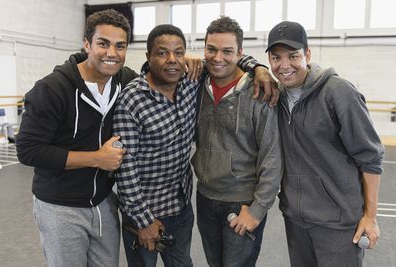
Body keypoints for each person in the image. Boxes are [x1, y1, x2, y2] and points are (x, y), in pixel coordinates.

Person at [113, 24, 275, 267]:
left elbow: (225, 58)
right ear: (148, 57)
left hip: (181, 207)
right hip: (144, 212)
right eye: (162, 53)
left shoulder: (189, 81)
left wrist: (259, 67)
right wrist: (143, 220)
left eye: (179, 53)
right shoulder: (132, 99)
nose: (172, 60)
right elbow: (125, 168)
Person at [16, 9, 135, 267]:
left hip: (103, 203)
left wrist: (191, 63)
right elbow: (28, 151)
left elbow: (156, 76)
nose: (112, 53)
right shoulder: (52, 89)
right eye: (103, 43)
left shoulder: (125, 81)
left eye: (120, 46)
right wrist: (97, 159)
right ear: (86, 44)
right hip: (59, 205)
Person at [265, 21, 384, 267]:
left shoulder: (338, 92)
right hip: (296, 220)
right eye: (276, 58)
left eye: (293, 56)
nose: (284, 65)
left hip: (338, 224)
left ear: (307, 54)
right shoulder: (277, 96)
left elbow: (370, 158)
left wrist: (370, 217)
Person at [191, 16, 283, 267]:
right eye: (211, 49)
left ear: (240, 53)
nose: (218, 58)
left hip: (242, 201)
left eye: (227, 51)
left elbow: (272, 157)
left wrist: (257, 210)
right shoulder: (196, 85)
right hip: (205, 198)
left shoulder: (259, 92)